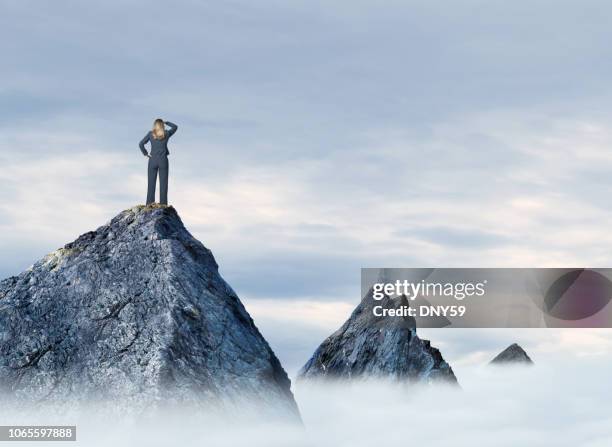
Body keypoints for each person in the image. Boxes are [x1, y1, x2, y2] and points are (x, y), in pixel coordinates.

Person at [139, 119, 178, 205]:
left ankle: (149, 204)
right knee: (163, 184)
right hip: (163, 160)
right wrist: (166, 122)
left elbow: (141, 144)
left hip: (152, 160)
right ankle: (163, 205)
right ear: (162, 125)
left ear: (155, 125)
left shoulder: (150, 134)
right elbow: (175, 127)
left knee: (151, 184)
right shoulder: (166, 134)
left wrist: (145, 154)